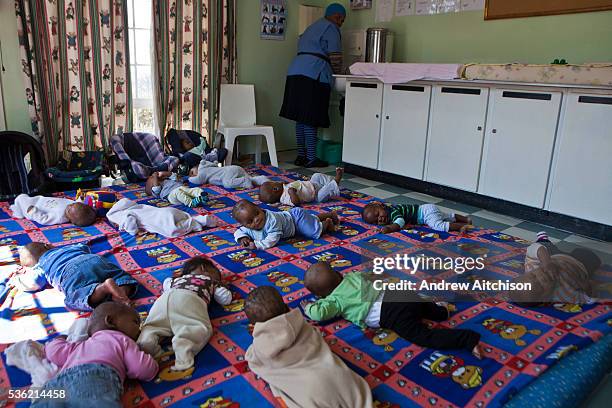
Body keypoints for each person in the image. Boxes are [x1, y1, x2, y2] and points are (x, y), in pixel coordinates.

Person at [302, 262, 483, 358]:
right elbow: (369, 275)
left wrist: (308, 307)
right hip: (398, 293)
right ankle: (441, 312)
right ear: (339, 274)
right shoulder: (351, 277)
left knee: (424, 336)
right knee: (420, 305)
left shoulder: (334, 301)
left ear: (322, 296)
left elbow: (319, 314)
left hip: (392, 314)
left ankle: (466, 338)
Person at [244, 286, 374, 408]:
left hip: (312, 390)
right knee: (351, 389)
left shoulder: (261, 346)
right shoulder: (301, 323)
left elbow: (254, 360)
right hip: (336, 375)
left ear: (254, 325)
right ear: (285, 307)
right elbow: (315, 336)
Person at [32, 302, 158, 407]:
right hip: (93, 381)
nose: (140, 329)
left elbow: (53, 352)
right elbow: (144, 369)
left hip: (55, 385)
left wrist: (61, 338)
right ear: (111, 321)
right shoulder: (122, 340)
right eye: (136, 322)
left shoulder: (80, 346)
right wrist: (146, 354)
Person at [279, 3, 346, 168]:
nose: (341, 23)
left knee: (301, 118)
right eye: (342, 20)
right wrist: (340, 72)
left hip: (295, 72)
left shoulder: (312, 27)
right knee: (310, 118)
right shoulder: (331, 28)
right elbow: (335, 58)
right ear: (337, 17)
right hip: (313, 74)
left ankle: (301, 156)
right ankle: (311, 158)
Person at [138, 257, 232, 371]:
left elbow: (166, 283)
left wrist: (177, 278)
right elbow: (225, 298)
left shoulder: (176, 280)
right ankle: (183, 345)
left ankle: (146, 342)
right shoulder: (210, 280)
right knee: (197, 327)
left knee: (152, 325)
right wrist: (222, 285)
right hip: (189, 300)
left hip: (162, 301)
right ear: (204, 268)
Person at [10, 242, 138, 311]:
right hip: (94, 260)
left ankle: (104, 288)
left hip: (71, 273)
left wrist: (17, 280)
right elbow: (84, 247)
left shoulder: (41, 266)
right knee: (120, 276)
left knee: (75, 297)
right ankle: (121, 292)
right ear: (47, 245)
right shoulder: (68, 248)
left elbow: (33, 283)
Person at [509, 231, 601, 305]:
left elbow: (533, 248)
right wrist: (588, 286)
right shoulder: (564, 295)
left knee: (544, 247)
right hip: (577, 262)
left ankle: (543, 239)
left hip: (554, 257)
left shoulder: (532, 266)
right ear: (545, 299)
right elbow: (588, 299)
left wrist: (546, 262)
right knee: (591, 257)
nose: (541, 277)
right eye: (541, 286)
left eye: (533, 276)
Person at [232, 199, 338, 250]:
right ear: (245, 225)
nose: (256, 220)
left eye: (256, 214)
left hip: (296, 219)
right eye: (250, 221)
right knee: (310, 221)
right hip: (293, 222)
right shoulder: (247, 228)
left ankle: (327, 223)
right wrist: (242, 238)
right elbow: (238, 232)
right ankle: (330, 214)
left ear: (259, 208)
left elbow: (272, 240)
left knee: (312, 232)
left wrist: (256, 245)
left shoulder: (272, 221)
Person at [106, 198, 216, 238]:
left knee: (173, 231)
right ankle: (196, 219)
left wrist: (134, 231)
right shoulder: (135, 208)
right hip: (168, 211)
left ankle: (199, 221)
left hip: (162, 220)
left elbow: (129, 220)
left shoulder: (120, 215)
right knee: (180, 219)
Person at [362, 202, 472, 233]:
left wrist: (390, 228)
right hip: (427, 208)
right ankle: (466, 219)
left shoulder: (392, 212)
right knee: (446, 216)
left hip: (425, 214)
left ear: (381, 206)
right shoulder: (388, 212)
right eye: (376, 221)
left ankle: (460, 226)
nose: (379, 219)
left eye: (378, 215)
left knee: (438, 225)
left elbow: (400, 221)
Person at [259, 168, 343, 206]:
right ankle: (335, 182)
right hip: (315, 195)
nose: (277, 182)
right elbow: (296, 203)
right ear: (276, 189)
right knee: (321, 196)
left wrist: (284, 184)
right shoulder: (284, 198)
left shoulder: (283, 187)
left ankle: (331, 182)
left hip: (312, 183)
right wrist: (292, 193)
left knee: (316, 175)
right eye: (275, 183)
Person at [11, 193, 96, 226]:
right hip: (41, 200)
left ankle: (19, 211)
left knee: (21, 198)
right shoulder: (74, 207)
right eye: (73, 204)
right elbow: (78, 203)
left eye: (70, 210)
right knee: (28, 197)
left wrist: (34, 212)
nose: (69, 206)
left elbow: (44, 219)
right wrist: (80, 199)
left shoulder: (59, 217)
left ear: (71, 220)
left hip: (33, 208)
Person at [188, 159, 270, 189]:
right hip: (234, 169)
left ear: (197, 167)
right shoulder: (208, 167)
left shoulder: (202, 170)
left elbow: (198, 180)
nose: (193, 175)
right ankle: (264, 180)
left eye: (192, 172)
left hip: (229, 172)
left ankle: (245, 181)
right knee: (252, 179)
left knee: (227, 183)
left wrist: (188, 178)